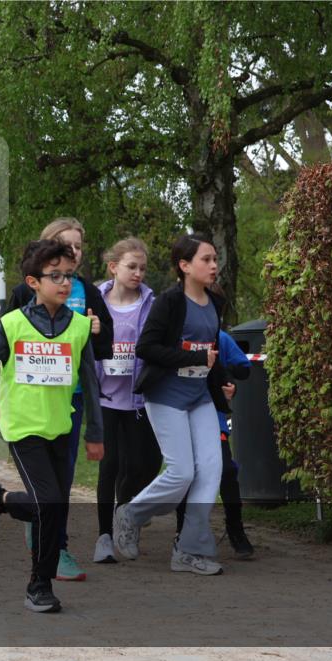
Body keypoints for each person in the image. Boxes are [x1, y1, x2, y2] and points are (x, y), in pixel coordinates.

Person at [0, 240, 104, 613]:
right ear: (33, 282)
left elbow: (91, 383)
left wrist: (95, 433)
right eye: (55, 276)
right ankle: (38, 585)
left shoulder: (79, 327)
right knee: (49, 503)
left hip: (60, 426)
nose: (64, 283)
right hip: (22, 427)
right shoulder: (12, 325)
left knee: (55, 507)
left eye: (69, 276)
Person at [114, 233, 232, 576]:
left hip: (199, 397)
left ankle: (188, 551)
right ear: (184, 266)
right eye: (206, 259)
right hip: (165, 395)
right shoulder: (169, 302)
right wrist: (193, 357)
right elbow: (147, 348)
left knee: (211, 471)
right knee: (182, 473)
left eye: (215, 259)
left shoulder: (215, 302)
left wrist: (223, 381)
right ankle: (130, 514)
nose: (214, 265)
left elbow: (210, 350)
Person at [4, 218, 112, 580]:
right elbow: (5, 338)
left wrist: (96, 330)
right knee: (46, 489)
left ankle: (57, 547)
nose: (75, 253)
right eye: (67, 246)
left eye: (79, 246)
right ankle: (43, 541)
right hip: (31, 403)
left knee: (61, 482)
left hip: (72, 398)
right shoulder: (24, 291)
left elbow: (104, 348)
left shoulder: (88, 292)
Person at [92, 238, 162, 563]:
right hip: (105, 397)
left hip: (138, 398)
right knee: (109, 466)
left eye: (142, 268)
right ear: (113, 267)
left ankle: (125, 516)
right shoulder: (96, 302)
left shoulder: (151, 303)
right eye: (131, 266)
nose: (138, 273)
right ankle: (104, 536)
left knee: (140, 465)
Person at [175, 327, 254, 558]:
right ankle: (182, 532)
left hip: (213, 418)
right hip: (180, 416)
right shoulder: (174, 336)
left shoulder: (220, 338)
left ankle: (236, 530)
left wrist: (228, 380)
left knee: (227, 471)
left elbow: (244, 369)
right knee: (187, 474)